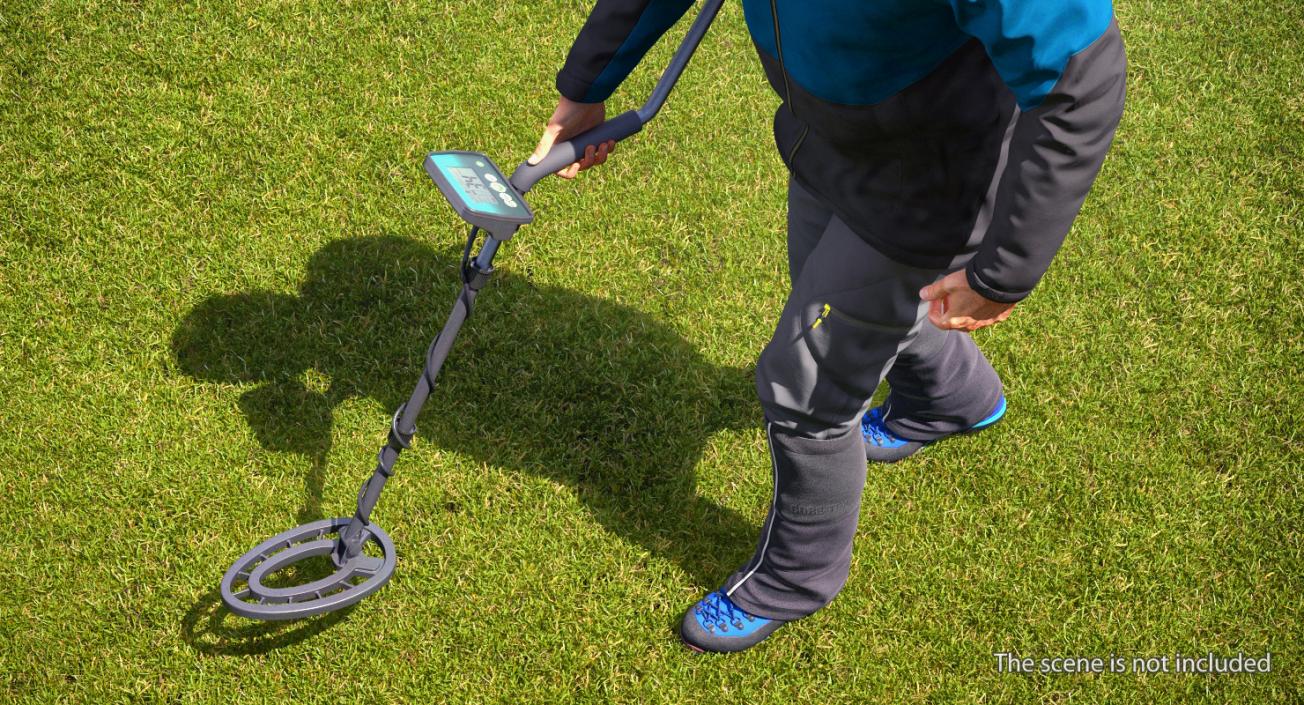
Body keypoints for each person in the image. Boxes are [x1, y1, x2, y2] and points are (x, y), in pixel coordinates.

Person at [530, 0, 1126, 653]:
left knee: (804, 387)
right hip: (827, 139)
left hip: (931, 181)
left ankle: (796, 575)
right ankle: (951, 399)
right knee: (846, 297)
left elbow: (1081, 80)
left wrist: (1004, 272)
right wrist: (585, 92)